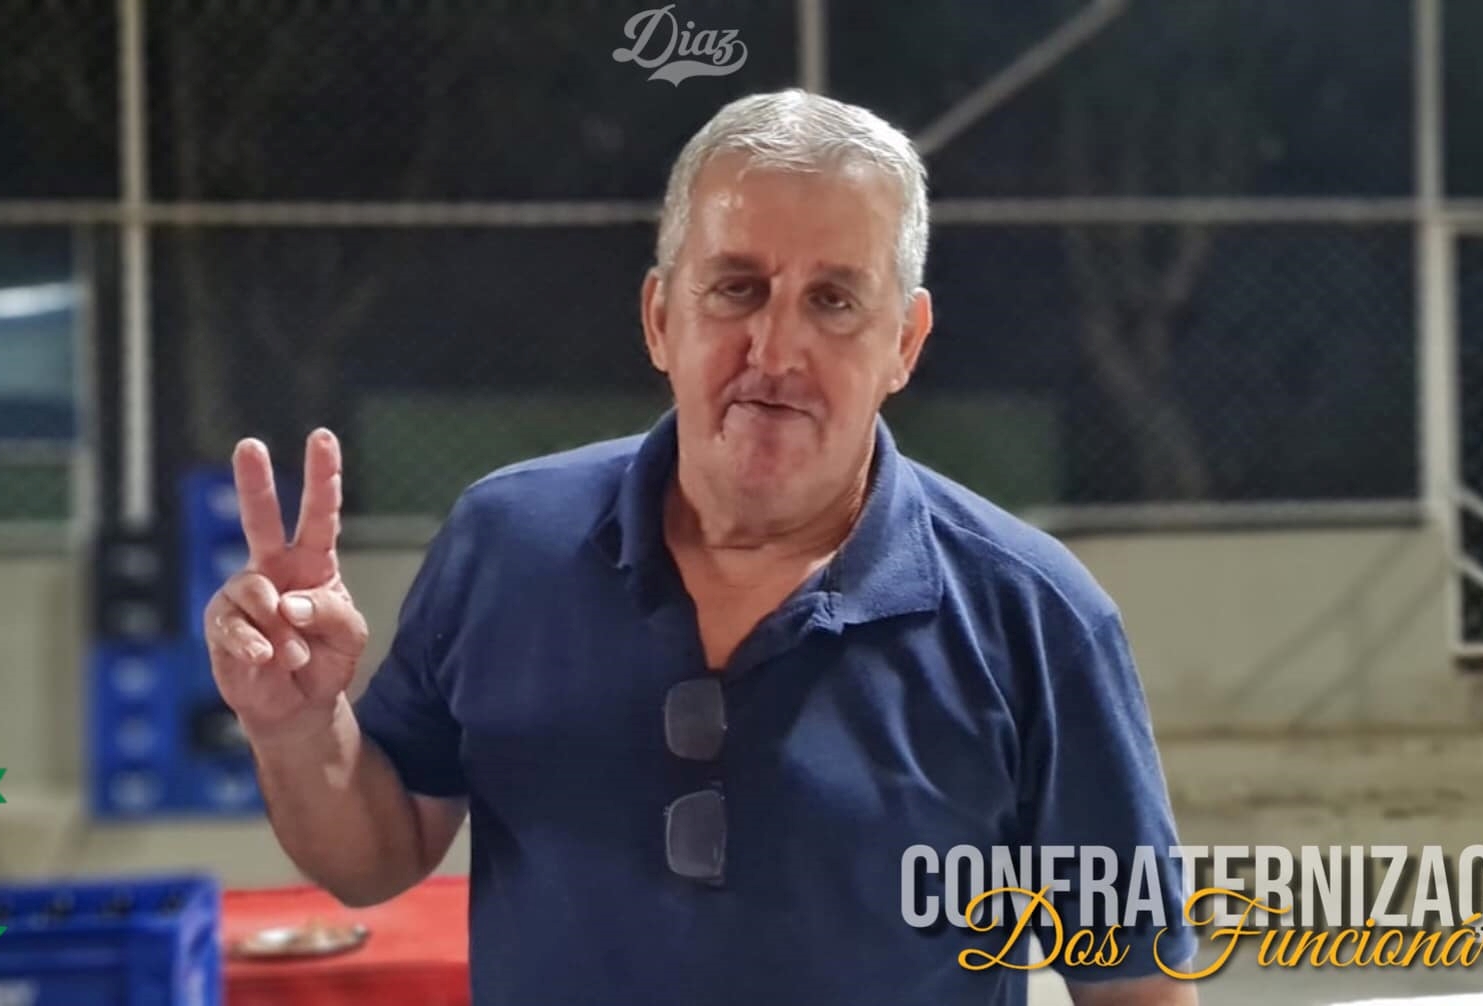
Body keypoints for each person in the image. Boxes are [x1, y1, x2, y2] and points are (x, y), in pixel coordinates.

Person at [206, 89, 1198, 1005]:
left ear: (904, 341)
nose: (776, 350)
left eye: (834, 300)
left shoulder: (1033, 616)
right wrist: (300, 727)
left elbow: (1136, 985)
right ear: (659, 318)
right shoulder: (505, 545)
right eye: (736, 287)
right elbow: (375, 857)